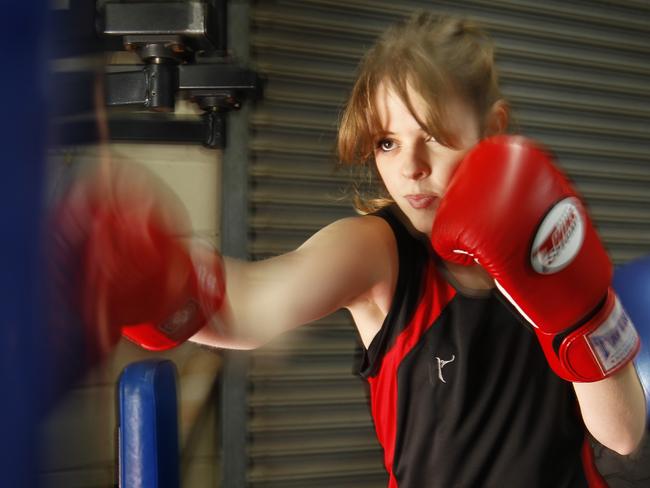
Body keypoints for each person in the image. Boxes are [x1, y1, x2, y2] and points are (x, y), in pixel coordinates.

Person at [54, 11, 646, 487]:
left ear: (493, 128)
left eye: (434, 136)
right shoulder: (379, 253)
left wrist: (577, 312)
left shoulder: (546, 234)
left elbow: (623, 439)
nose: (411, 168)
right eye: (388, 142)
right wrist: (156, 281)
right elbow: (251, 303)